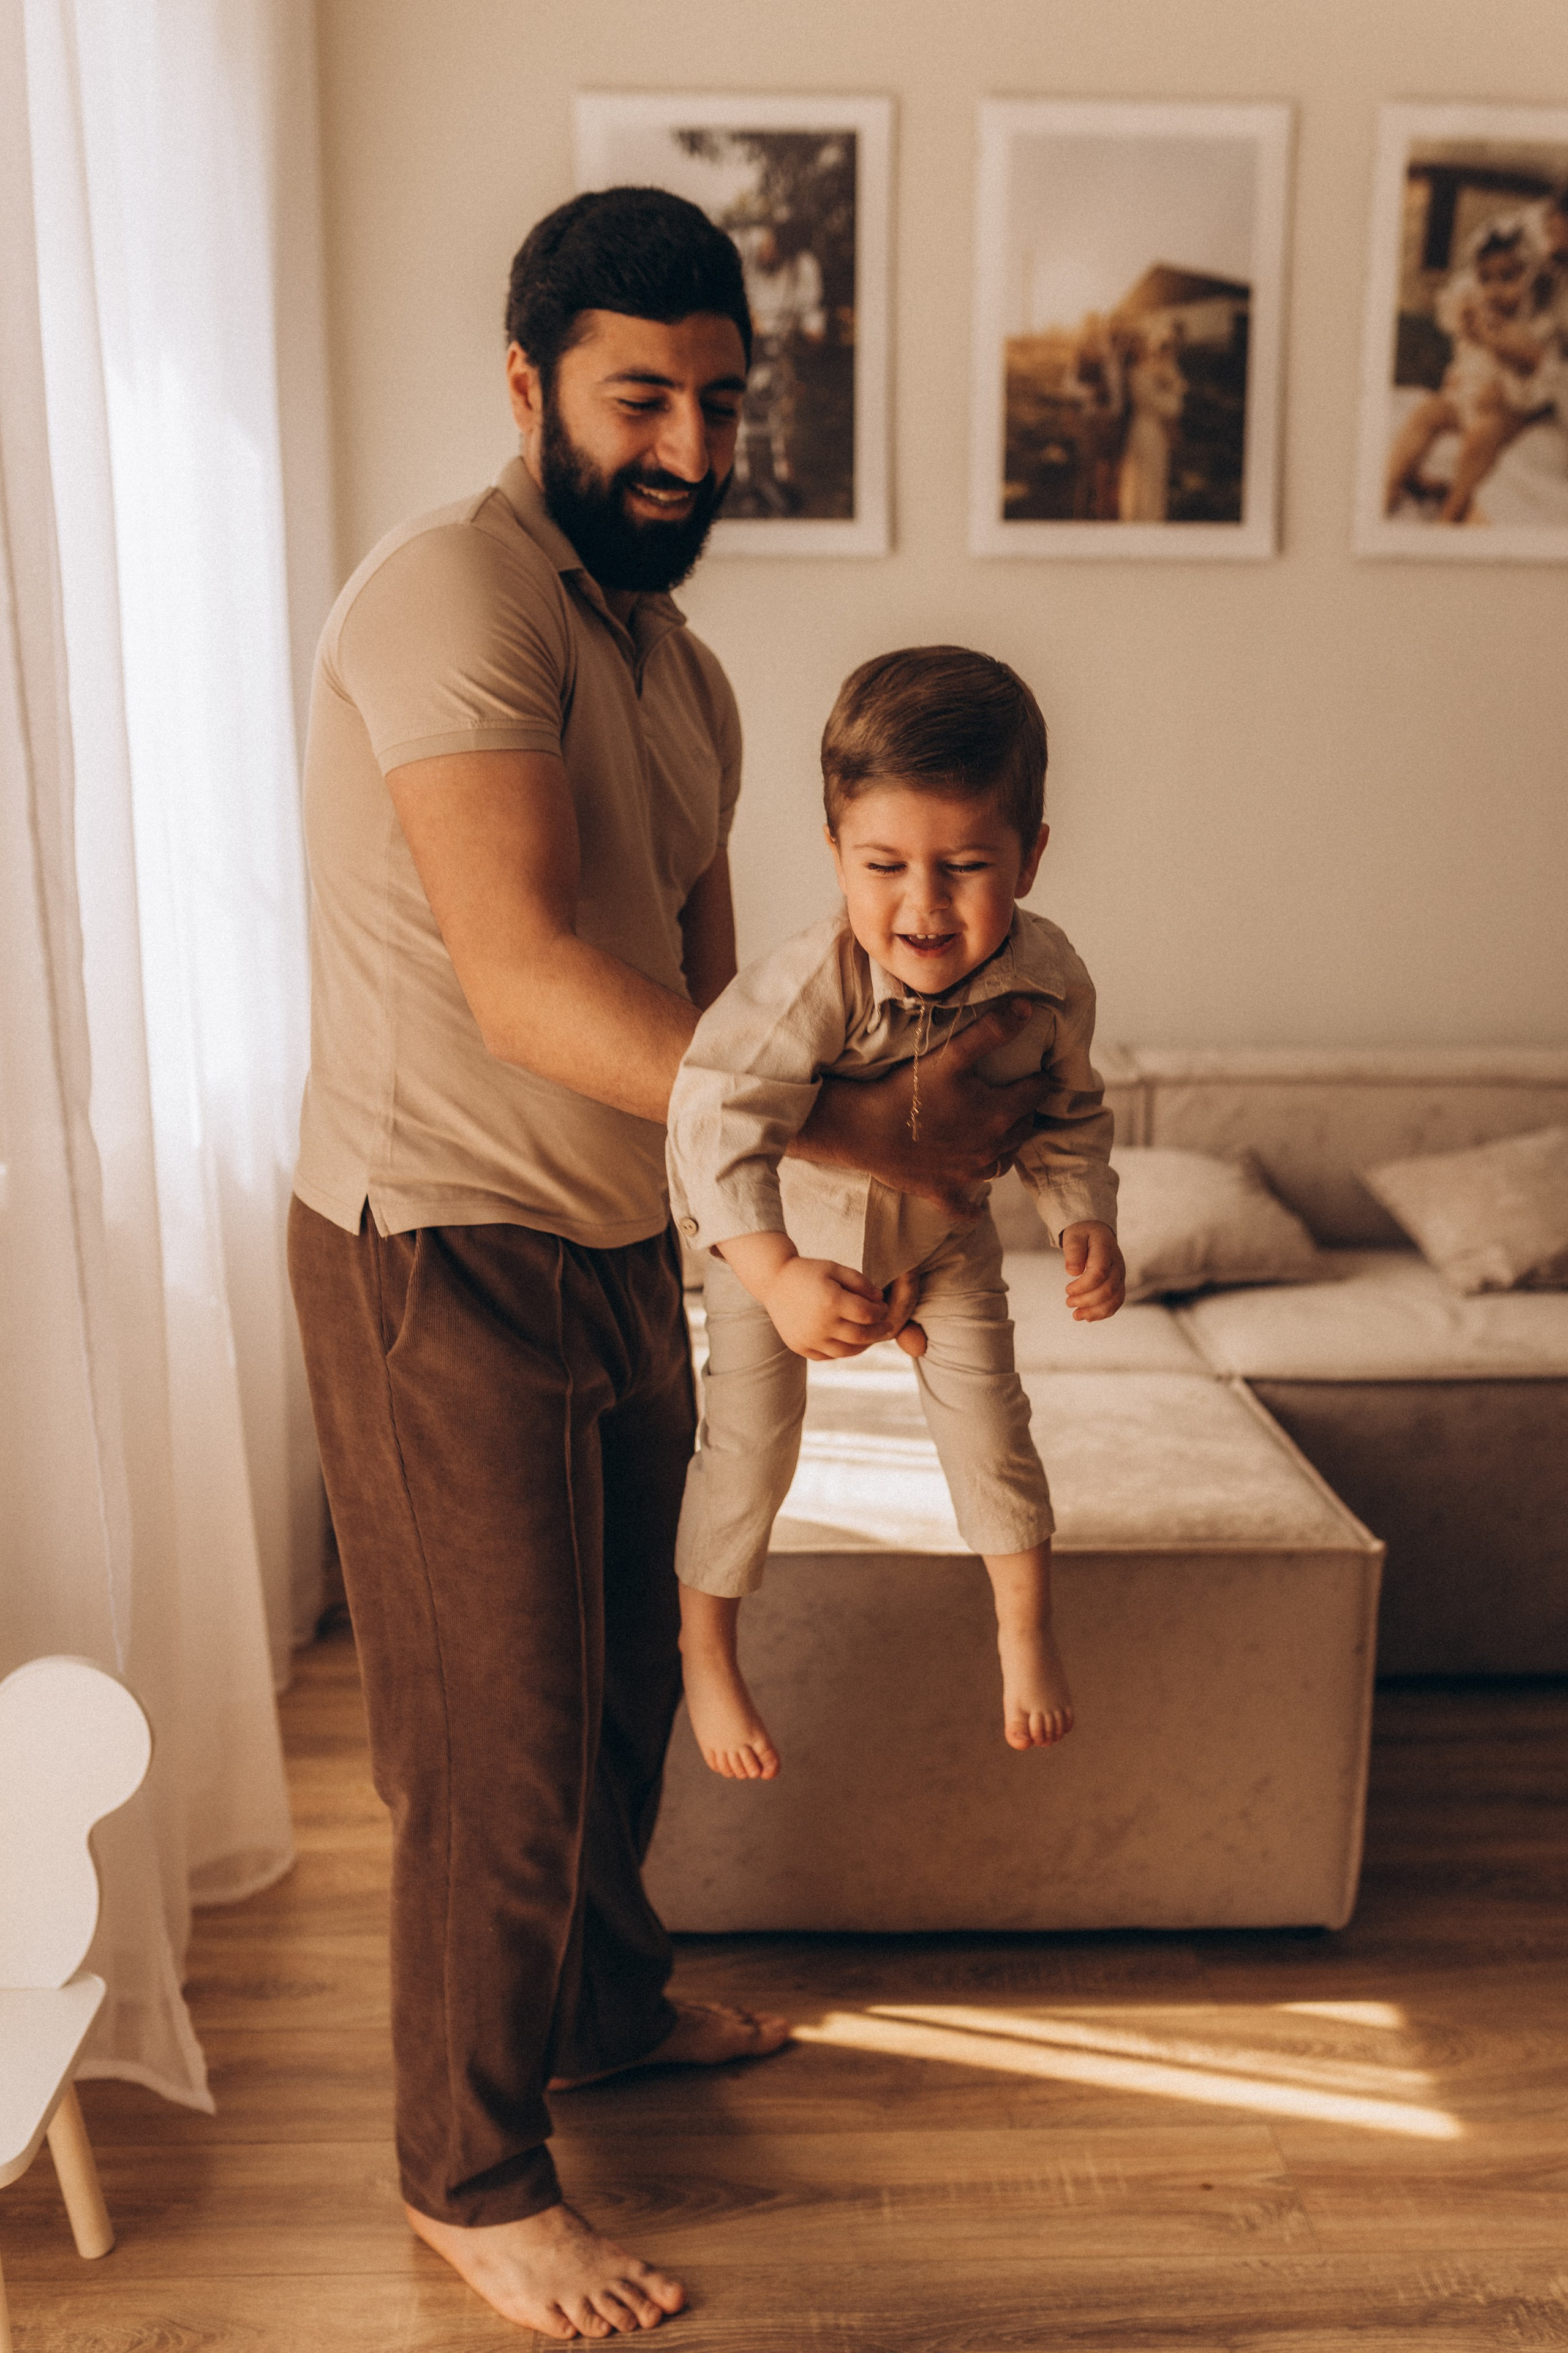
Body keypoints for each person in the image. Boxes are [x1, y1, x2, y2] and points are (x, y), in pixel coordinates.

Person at [287, 191, 1057, 2341]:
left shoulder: (687, 669)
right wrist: (856, 1127)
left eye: (724, 404)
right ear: (527, 387)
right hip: (437, 1244)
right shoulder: (450, 597)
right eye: (644, 400)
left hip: (628, 1246)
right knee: (497, 1738)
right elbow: (531, 982)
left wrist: (814, 1234)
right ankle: (468, 2170)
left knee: (627, 1683)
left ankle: (603, 2006)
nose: (694, 452)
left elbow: (743, 1008)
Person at [666, 647, 1125, 1785]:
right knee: (750, 1448)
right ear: (834, 854)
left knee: (992, 1420)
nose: (922, 907)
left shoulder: (1051, 979)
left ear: (1030, 856)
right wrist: (772, 1274)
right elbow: (714, 1115)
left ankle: (1023, 1625)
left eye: (966, 866)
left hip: (945, 1236)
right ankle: (705, 1645)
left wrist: (1084, 1214)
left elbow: (1067, 1111)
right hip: (787, 1241)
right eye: (884, 866)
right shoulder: (809, 980)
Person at [1384, 214, 1558, 524]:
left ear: (1531, 277)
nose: (1495, 290)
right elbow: (1449, 311)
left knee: (1482, 433)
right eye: (1486, 279)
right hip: (1466, 399)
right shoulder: (1480, 311)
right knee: (1428, 412)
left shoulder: (1536, 324)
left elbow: (1544, 382)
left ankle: (1454, 508)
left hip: (1509, 411)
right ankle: (1395, 481)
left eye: (1508, 278)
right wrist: (1464, 315)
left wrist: (1511, 375)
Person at [1117, 326, 1185, 522]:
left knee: (1154, 478)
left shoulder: (1151, 370)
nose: (1145, 350)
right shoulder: (1137, 375)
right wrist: (1174, 396)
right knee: (1146, 479)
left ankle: (1148, 517)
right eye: (1139, 346)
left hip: (1151, 430)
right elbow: (1168, 406)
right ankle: (1144, 520)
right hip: (1147, 431)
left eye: (1144, 344)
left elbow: (1175, 381)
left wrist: (1169, 371)